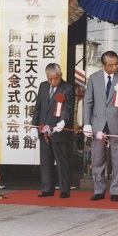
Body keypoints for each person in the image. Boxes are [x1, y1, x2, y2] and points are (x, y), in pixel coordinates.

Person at [83, 51, 118, 202]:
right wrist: (86, 122)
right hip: (98, 123)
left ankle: (115, 191)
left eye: (117, 63)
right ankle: (99, 190)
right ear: (103, 65)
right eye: (111, 65)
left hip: (117, 122)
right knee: (97, 158)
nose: (115, 67)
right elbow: (88, 102)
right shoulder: (94, 78)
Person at [31, 63, 75, 198]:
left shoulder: (67, 88)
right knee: (45, 160)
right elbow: (38, 107)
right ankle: (47, 189)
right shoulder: (43, 86)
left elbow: (67, 108)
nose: (52, 81)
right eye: (50, 78)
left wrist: (62, 121)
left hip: (58, 129)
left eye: (55, 78)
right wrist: (34, 126)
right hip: (43, 128)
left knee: (61, 161)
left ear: (60, 75)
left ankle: (64, 189)